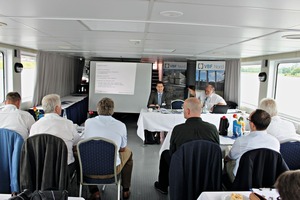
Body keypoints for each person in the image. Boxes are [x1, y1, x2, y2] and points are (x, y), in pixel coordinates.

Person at [154, 97, 220, 194]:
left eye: (183, 109)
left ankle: (163, 186)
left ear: (188, 111)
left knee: (165, 154)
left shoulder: (178, 130)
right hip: (206, 167)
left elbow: (173, 154)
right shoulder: (213, 129)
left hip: (183, 167)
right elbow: (216, 151)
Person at [84, 97, 133, 200]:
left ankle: (94, 191)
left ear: (98, 109)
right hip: (111, 171)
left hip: (89, 170)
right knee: (129, 153)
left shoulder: (88, 122)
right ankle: (125, 190)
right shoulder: (121, 125)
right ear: (113, 110)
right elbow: (122, 149)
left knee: (82, 155)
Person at [29, 94, 81, 177]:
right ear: (57, 108)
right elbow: (77, 144)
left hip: (41, 168)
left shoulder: (35, 126)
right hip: (64, 169)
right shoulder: (68, 124)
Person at [224, 109, 280, 182]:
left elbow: (231, 157)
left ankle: (224, 183)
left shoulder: (242, 141)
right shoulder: (275, 142)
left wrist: (226, 158)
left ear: (252, 125)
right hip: (267, 178)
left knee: (228, 152)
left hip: (243, 178)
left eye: (248, 120)